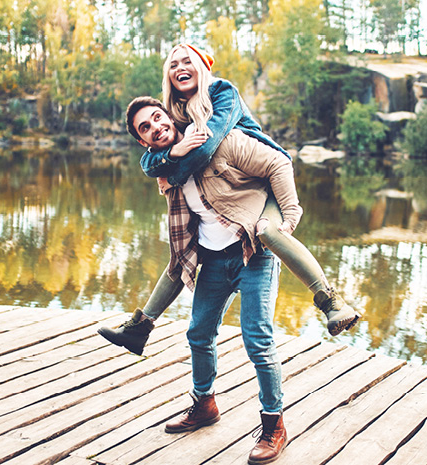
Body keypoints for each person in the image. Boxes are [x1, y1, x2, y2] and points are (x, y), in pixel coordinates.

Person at [98, 44, 360, 356]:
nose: (181, 67)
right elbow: (149, 162)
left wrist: (290, 212)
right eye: (173, 64)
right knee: (182, 256)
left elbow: (207, 149)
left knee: (269, 231)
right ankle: (140, 328)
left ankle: (331, 301)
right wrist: (170, 153)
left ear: (200, 65)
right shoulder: (179, 115)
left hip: (263, 185)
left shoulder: (221, 92)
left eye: (187, 61)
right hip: (233, 197)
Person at [126, 96, 290, 463]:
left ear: (170, 115)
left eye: (158, 117)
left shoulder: (212, 139)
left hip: (253, 253)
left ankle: (273, 425)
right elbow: (158, 175)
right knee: (198, 333)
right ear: (143, 141)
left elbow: (277, 163)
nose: (156, 127)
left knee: (258, 339)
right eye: (146, 128)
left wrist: (283, 220)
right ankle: (205, 405)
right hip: (214, 261)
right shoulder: (165, 169)